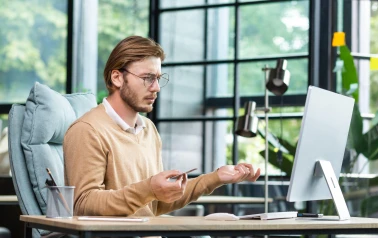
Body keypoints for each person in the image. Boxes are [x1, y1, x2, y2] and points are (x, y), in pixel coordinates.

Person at [64, 35, 261, 216]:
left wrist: (216, 178)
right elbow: (83, 204)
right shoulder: (87, 130)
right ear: (117, 78)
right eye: (147, 78)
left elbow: (157, 204)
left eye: (158, 78)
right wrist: (149, 188)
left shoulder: (148, 129)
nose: (156, 88)